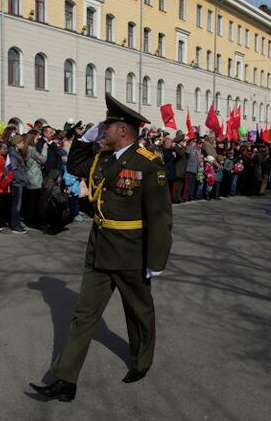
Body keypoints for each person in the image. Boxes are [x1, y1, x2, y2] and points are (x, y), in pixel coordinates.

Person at [30, 94, 173, 402]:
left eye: (107, 126)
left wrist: (157, 258)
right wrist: (83, 138)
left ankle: (142, 360)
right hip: (100, 249)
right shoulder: (105, 158)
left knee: (138, 312)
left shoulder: (149, 163)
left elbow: (161, 216)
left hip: (132, 253)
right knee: (84, 315)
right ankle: (65, 379)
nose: (102, 130)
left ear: (123, 130)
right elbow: (78, 163)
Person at [7, 134, 28, 234]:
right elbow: (13, 170)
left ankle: (17, 223)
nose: (24, 145)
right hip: (17, 183)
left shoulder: (15, 153)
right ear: (17, 144)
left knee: (18, 204)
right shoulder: (12, 154)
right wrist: (20, 179)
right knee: (16, 205)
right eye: (22, 143)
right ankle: (15, 225)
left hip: (19, 182)